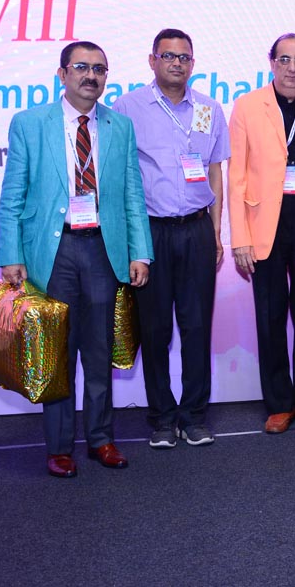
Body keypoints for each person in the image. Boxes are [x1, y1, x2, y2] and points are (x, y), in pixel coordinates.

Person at [0, 41, 153, 477]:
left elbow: (133, 195)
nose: (91, 76)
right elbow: (12, 194)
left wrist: (141, 251)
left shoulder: (120, 126)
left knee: (100, 351)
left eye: (99, 69)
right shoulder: (30, 123)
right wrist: (10, 254)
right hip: (55, 252)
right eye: (82, 67)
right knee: (58, 354)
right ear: (62, 74)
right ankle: (59, 446)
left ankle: (101, 438)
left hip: (104, 249)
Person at [113, 28, 229, 448]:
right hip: (151, 233)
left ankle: (194, 416)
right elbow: (120, 177)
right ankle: (162, 417)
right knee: (155, 330)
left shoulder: (209, 109)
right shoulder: (127, 108)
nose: (177, 63)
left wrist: (216, 232)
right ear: (152, 61)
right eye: (168, 56)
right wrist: (131, 241)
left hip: (197, 230)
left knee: (197, 328)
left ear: (193, 64)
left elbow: (214, 171)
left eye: (184, 57)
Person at [227, 33, 295, 434]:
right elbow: (236, 175)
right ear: (272, 63)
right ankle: (278, 403)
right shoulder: (247, 106)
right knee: (270, 315)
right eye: (285, 60)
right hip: (264, 222)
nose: (292, 68)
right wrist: (239, 236)